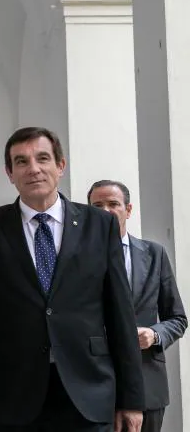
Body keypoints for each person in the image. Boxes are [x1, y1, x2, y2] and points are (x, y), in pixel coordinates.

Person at [0, 127, 145, 432]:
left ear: (61, 166)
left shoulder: (100, 225)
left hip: (88, 390)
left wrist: (132, 400)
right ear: (9, 173)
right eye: (21, 162)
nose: (34, 169)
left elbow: (120, 314)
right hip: (10, 395)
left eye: (43, 158)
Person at [88, 180, 187, 432]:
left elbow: (177, 318)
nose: (106, 210)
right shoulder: (74, 258)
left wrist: (154, 335)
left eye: (113, 204)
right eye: (97, 205)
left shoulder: (155, 254)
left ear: (128, 210)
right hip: (92, 387)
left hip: (147, 385)